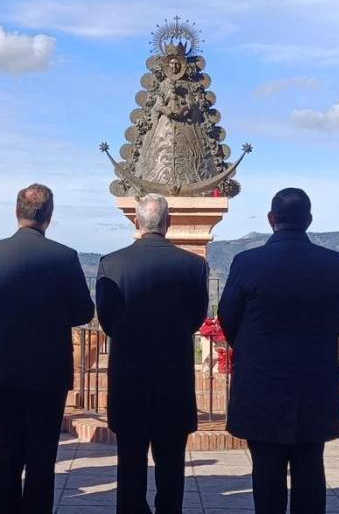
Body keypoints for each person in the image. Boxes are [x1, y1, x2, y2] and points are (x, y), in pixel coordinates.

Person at [218, 188, 339, 514]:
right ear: (308, 220)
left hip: (262, 385)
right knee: (310, 470)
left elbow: (228, 318)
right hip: (313, 385)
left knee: (265, 475)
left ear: (271, 219)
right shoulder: (335, 264)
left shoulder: (247, 263)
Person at [0, 183, 95, 514]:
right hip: (48, 369)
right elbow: (83, 311)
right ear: (49, 215)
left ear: (16, 212)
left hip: (4, 366)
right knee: (42, 450)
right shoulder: (64, 257)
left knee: (6, 443)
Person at [98, 194, 206, 514]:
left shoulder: (111, 263)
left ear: (136, 222)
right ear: (168, 222)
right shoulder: (194, 265)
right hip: (173, 380)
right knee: (172, 469)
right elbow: (196, 318)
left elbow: (107, 319)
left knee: (129, 466)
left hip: (129, 379)